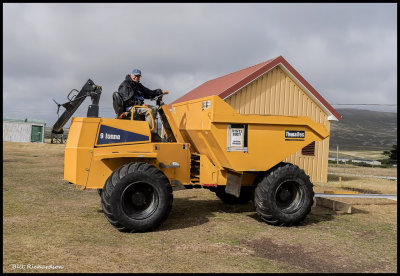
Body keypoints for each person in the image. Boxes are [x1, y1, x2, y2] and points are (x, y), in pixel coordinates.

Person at [117, 69, 169, 135]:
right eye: (135, 75)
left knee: (154, 109)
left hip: (137, 105)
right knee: (148, 110)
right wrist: (141, 104)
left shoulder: (138, 85)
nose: (136, 77)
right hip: (129, 107)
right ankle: (151, 133)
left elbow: (149, 92)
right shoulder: (125, 85)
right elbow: (127, 100)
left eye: (138, 76)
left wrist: (160, 92)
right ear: (131, 75)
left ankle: (147, 127)